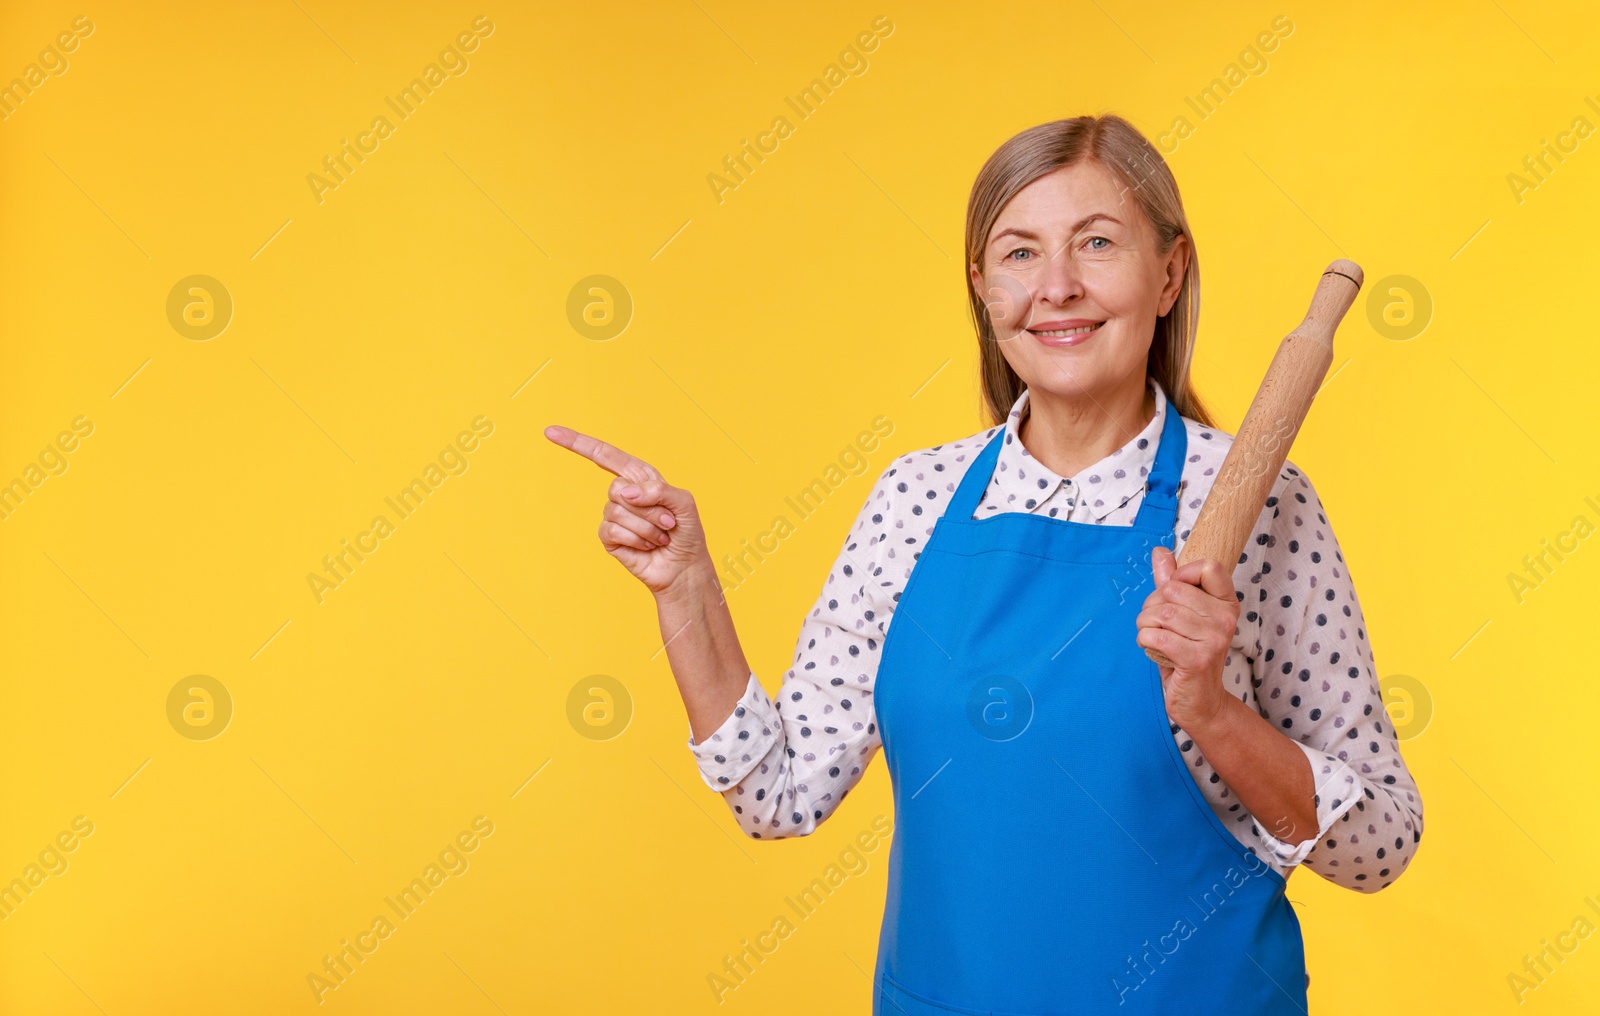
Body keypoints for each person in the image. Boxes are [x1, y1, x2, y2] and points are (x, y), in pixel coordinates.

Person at [546, 114, 1423, 1015]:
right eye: (1018, 253)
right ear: (982, 286)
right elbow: (778, 793)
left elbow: (1378, 848)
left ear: (1169, 273)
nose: (1057, 287)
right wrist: (685, 586)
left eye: (1096, 243)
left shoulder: (1259, 503)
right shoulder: (913, 499)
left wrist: (1213, 709)